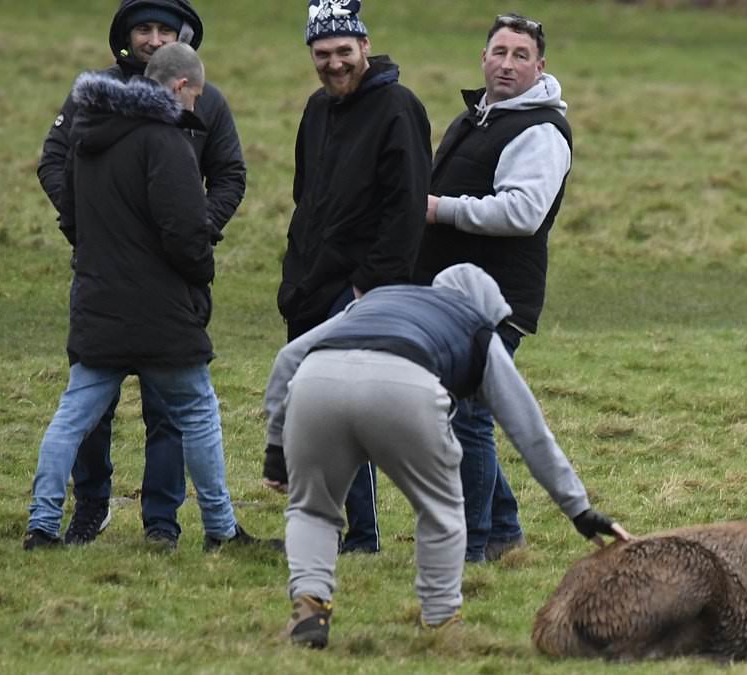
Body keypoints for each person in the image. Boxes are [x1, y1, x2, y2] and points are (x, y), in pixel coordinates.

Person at [263, 263, 629, 648]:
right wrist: (580, 510)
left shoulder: (375, 300)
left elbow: (289, 356)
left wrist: (275, 447)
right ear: (488, 309)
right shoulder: (477, 328)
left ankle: (310, 608)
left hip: (316, 382)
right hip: (405, 386)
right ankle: (440, 623)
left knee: (313, 510)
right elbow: (530, 431)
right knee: (440, 511)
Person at [24, 44, 272, 553]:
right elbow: (185, 232)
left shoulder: (86, 135)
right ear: (181, 86)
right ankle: (222, 530)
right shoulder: (167, 141)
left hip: (98, 305)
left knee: (71, 417)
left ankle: (42, 526)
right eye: (196, 96)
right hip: (163, 315)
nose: (195, 106)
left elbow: (70, 212)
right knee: (198, 413)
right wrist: (202, 274)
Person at [264, 0, 432, 555]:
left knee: (343, 409)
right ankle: (321, 528)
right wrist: (296, 272)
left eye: (343, 51)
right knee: (311, 412)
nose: (333, 64)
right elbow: (305, 196)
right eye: (322, 53)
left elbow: (405, 209)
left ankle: (360, 535)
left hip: (357, 290)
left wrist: (371, 287)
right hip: (309, 282)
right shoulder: (317, 109)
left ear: (364, 46)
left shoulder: (398, 109)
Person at [412, 13, 573, 563]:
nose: (507, 64)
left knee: (468, 416)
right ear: (483, 57)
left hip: (497, 300)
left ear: (540, 66)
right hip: (454, 296)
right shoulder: (477, 117)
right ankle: (502, 533)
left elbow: (524, 212)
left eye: (520, 56)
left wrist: (440, 210)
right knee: (463, 412)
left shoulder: (541, 131)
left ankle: (473, 546)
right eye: (499, 52)